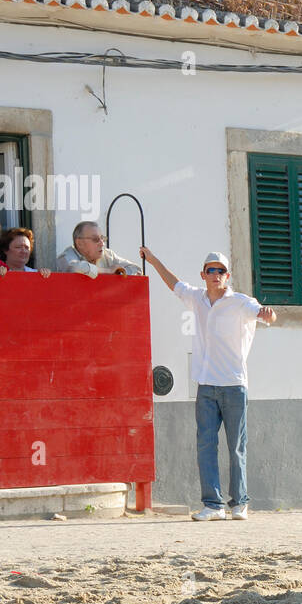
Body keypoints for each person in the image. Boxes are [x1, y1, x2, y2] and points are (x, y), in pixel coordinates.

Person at [140, 246, 276, 520]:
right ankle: (213, 506)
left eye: (221, 270)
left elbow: (262, 312)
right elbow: (173, 283)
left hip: (235, 385)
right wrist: (153, 260)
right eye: (211, 270)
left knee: (236, 446)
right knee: (205, 444)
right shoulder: (196, 299)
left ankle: (240, 503)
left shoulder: (240, 302)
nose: (216, 274)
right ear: (203, 275)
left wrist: (268, 315)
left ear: (228, 275)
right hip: (206, 386)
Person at [56, 221, 141, 278]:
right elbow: (75, 268)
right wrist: (109, 271)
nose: (102, 244)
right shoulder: (66, 256)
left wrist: (120, 272)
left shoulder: (108, 255)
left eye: (102, 238)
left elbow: (136, 270)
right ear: (79, 243)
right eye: (95, 239)